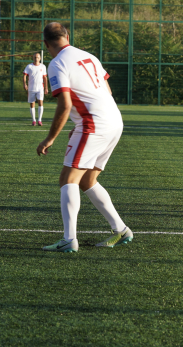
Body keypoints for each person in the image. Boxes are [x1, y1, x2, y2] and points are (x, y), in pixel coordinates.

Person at [37, 22, 132, 253]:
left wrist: (50, 138)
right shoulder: (88, 56)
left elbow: (65, 104)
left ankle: (69, 240)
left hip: (94, 124)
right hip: (114, 121)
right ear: (68, 36)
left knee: (67, 179)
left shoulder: (57, 63)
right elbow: (107, 90)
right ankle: (121, 230)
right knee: (87, 180)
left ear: (46, 44)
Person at [23, 53, 48, 126]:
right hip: (31, 88)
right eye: (35, 57)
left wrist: (46, 88)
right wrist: (24, 84)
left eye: (37, 57)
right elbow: (24, 75)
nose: (36, 59)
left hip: (40, 88)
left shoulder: (43, 66)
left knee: (40, 102)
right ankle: (34, 120)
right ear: (33, 58)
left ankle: (39, 120)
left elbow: (45, 77)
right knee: (32, 104)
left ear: (40, 58)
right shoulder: (29, 66)